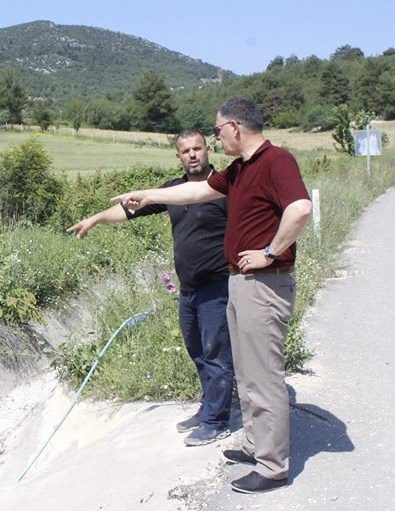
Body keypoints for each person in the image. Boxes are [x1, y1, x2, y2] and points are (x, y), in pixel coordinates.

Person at [113, 97, 312, 495]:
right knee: (247, 371)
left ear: (235, 127)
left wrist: (270, 252)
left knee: (264, 375)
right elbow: (193, 193)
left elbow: (301, 209)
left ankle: (272, 466)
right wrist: (147, 195)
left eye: (218, 130)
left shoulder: (276, 161)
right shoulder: (240, 170)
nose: (217, 137)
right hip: (240, 281)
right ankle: (256, 445)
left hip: (265, 282)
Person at [67, 129, 234, 447]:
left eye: (197, 148)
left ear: (208, 149)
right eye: (186, 151)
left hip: (218, 285)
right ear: (178, 156)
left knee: (216, 353)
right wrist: (97, 218)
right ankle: (209, 407)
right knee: (197, 352)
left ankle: (217, 420)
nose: (193, 155)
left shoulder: (221, 188)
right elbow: (132, 209)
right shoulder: (172, 190)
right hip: (189, 288)